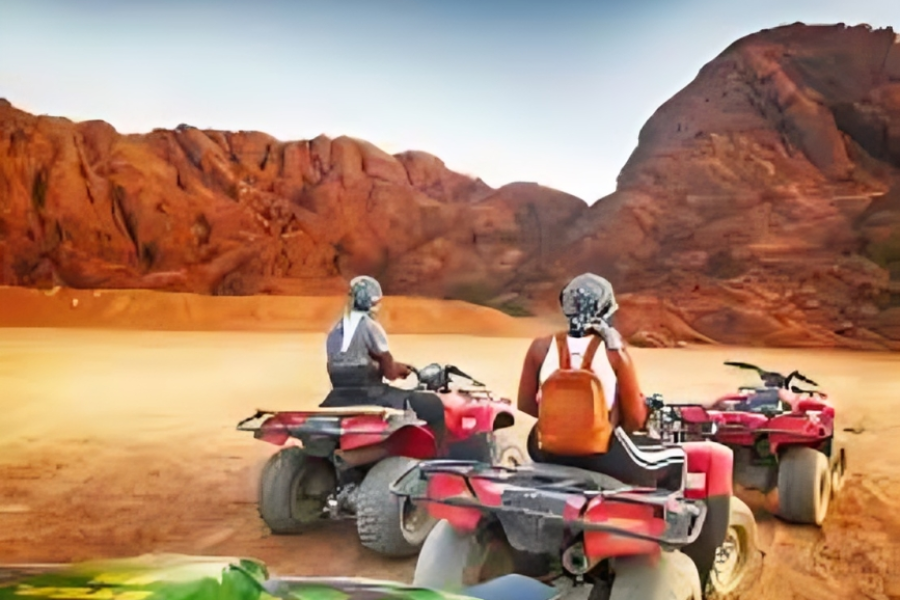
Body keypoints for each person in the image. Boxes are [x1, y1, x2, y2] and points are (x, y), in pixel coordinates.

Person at [516, 273, 685, 491]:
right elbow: (634, 420)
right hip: (602, 456)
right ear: (605, 310)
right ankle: (664, 521)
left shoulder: (539, 349)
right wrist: (646, 409)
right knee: (677, 458)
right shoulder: (614, 352)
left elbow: (526, 409)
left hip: (546, 452)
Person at [320, 275, 447, 453]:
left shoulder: (336, 330)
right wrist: (403, 370)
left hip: (338, 395)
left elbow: (348, 362)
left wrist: (395, 365)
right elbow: (390, 373)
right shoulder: (370, 326)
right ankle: (438, 455)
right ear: (371, 302)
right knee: (433, 404)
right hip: (370, 394)